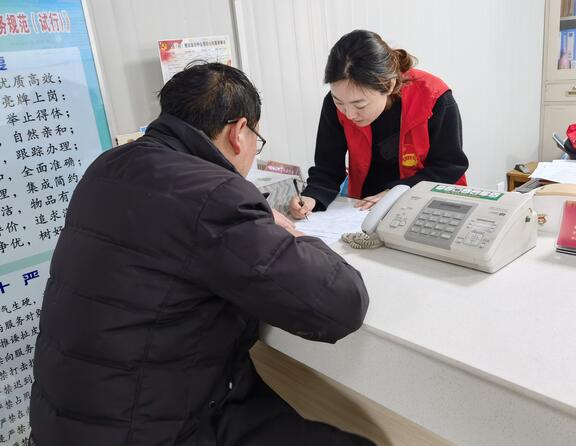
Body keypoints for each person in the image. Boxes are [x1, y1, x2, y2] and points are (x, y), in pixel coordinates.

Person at [29, 63, 373, 446]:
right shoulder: (214, 194)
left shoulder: (107, 166)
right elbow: (340, 304)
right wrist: (287, 233)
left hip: (65, 424)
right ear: (238, 132)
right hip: (153, 428)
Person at [290, 29, 469, 219]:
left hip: (432, 209)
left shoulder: (433, 98)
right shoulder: (336, 103)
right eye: (339, 102)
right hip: (364, 210)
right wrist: (311, 197)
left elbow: (449, 167)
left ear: (389, 85)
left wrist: (397, 192)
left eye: (360, 105)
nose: (349, 114)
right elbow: (328, 168)